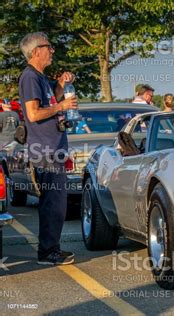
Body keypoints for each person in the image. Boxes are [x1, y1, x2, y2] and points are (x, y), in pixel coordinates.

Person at [18, 32, 78, 265]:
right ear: (36, 52)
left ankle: (51, 249)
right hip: (45, 151)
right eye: (48, 46)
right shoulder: (30, 77)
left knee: (57, 203)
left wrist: (61, 85)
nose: (52, 50)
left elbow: (51, 100)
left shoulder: (41, 78)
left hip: (53, 148)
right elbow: (33, 114)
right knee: (53, 204)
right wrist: (61, 106)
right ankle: (47, 252)